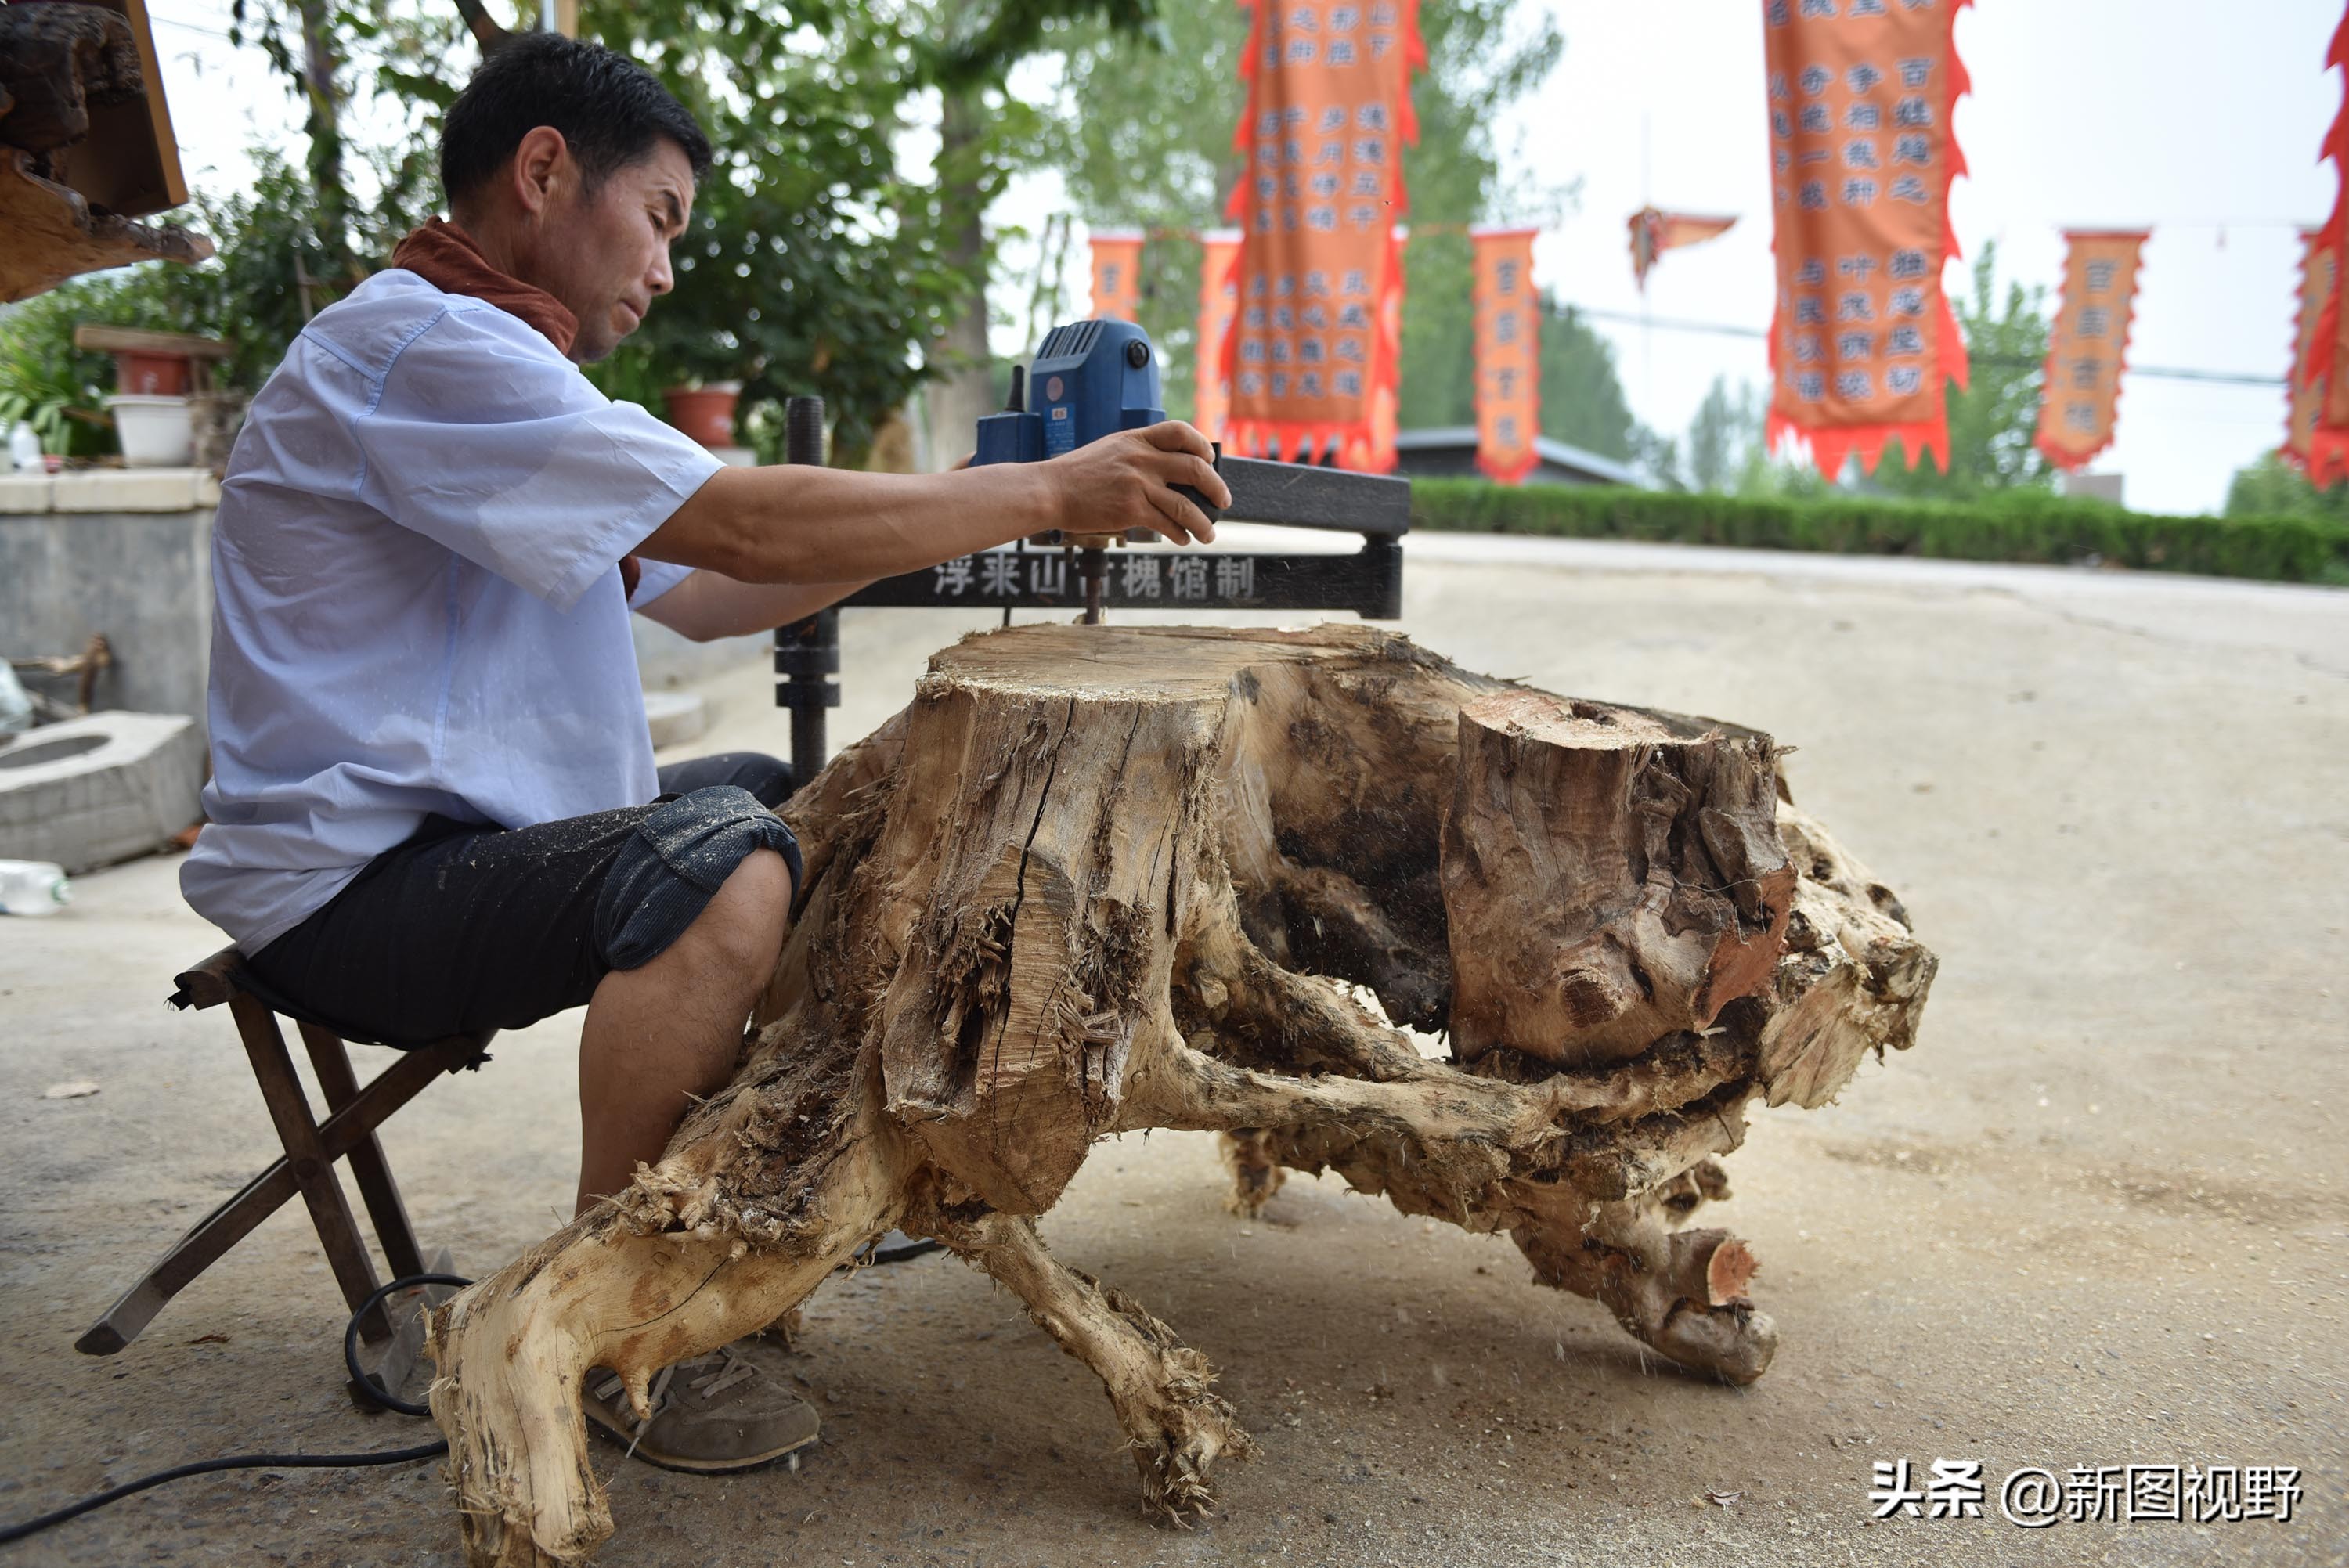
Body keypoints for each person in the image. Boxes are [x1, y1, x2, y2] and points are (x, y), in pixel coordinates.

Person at [181, 32, 1229, 1473]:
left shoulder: (480, 366)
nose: (665, 266)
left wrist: (945, 522)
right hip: (351, 896)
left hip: (440, 854)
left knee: (772, 803)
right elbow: (736, 527)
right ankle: (616, 1323)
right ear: (545, 170)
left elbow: (721, 591)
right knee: (728, 867)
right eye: (660, 218)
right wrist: (1037, 485)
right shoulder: (420, 348)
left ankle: (746, 1207)